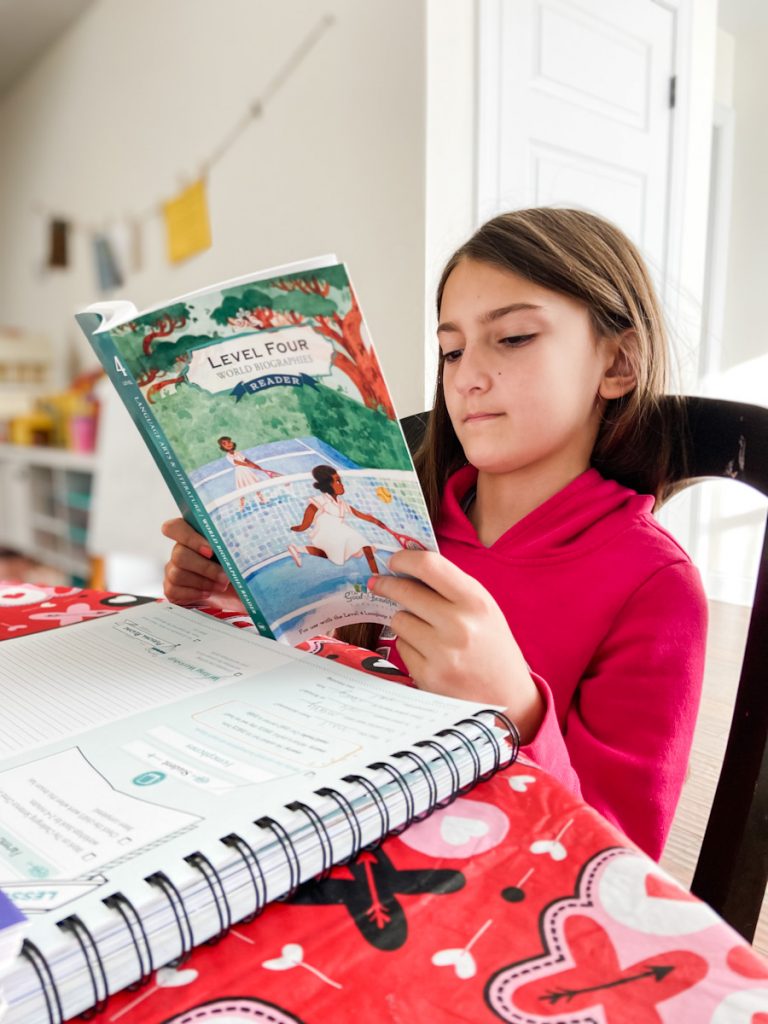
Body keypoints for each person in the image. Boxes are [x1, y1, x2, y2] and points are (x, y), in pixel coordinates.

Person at [162, 208, 707, 861]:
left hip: (475, 893)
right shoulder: (404, 519)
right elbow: (327, 684)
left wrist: (516, 710)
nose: (467, 376)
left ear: (618, 363)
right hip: (330, 842)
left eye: (513, 337)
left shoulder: (655, 585)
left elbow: (618, 857)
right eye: (451, 350)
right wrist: (234, 594)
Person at [287, 464, 391, 574]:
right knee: (326, 554)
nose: (341, 485)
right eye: (337, 481)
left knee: (366, 546)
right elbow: (307, 518)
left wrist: (376, 521)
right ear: (328, 485)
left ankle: (375, 575)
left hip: (340, 532)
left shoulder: (341, 503)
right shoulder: (321, 501)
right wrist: (299, 528)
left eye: (340, 481)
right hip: (325, 534)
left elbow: (357, 513)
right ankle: (298, 549)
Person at [217, 436, 280, 508]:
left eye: (229, 442)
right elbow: (238, 463)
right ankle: (241, 506)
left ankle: (262, 500)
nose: (228, 444)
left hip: (247, 471)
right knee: (241, 490)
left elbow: (246, 460)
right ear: (222, 447)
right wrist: (250, 466)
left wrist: (255, 465)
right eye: (225, 444)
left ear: (232, 442)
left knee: (255, 485)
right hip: (240, 472)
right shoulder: (228, 456)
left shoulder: (237, 452)